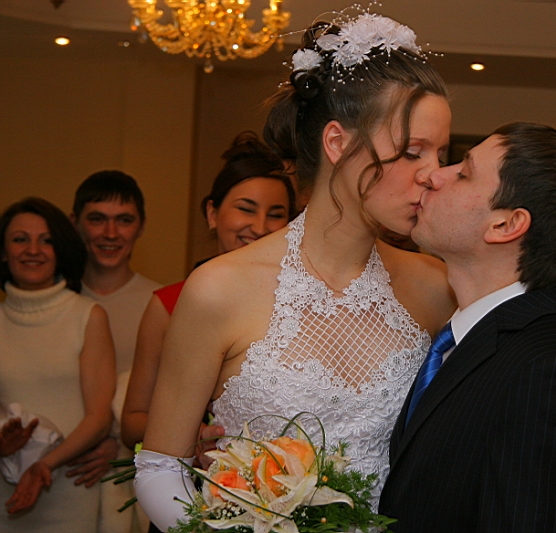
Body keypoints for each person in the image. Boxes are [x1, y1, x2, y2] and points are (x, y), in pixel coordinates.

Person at [134, 11, 455, 531]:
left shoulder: (436, 287)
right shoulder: (219, 289)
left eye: (442, 154)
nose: (433, 175)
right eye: (413, 152)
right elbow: (158, 467)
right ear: (338, 143)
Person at [379, 122, 556, 532]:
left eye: (464, 172)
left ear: (506, 225)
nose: (434, 175)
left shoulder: (549, 373)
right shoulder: (463, 339)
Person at [121, 131, 295, 450]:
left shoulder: (297, 305)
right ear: (212, 214)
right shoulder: (169, 304)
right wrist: (193, 431)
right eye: (246, 209)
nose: (260, 227)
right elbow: (132, 421)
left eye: (276, 215)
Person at [0, 197, 116, 531]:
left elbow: (99, 418)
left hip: (69, 486)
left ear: (60, 250)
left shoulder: (87, 316)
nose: (32, 250)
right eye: (20, 239)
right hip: (6, 487)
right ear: (4, 252)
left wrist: (45, 465)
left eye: (46, 240)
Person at [70, 170, 161, 533]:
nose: (110, 233)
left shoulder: (161, 304)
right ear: (74, 222)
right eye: (97, 219)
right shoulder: (56, 302)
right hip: (59, 479)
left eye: (124, 220)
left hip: (130, 484)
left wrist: (119, 446)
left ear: (141, 226)